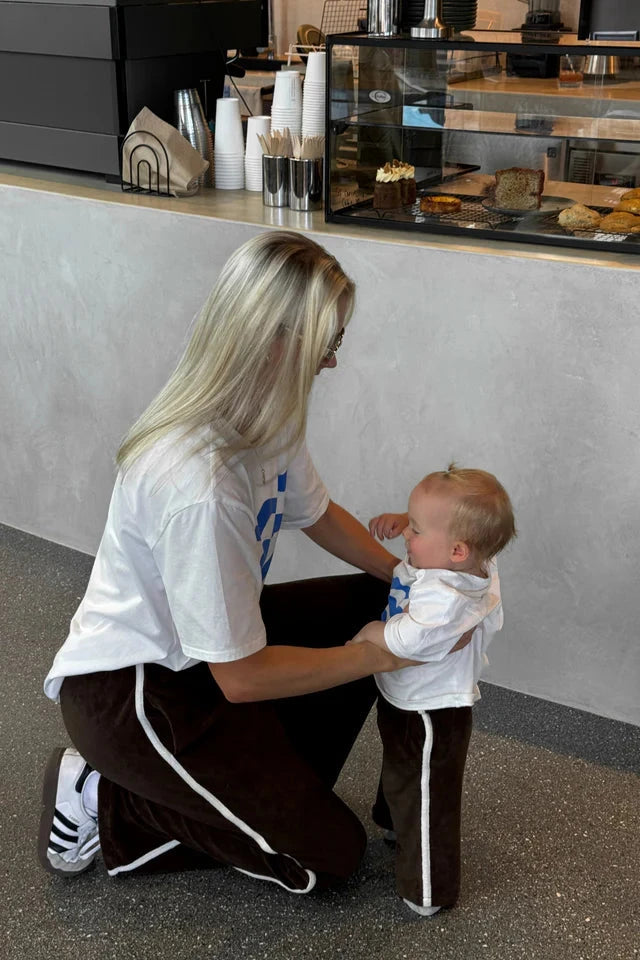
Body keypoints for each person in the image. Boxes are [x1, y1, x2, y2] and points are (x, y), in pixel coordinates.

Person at [39, 231, 419, 891]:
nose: (333, 361)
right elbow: (240, 677)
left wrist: (403, 577)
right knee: (329, 855)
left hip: (210, 651)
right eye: (327, 344)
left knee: (373, 601)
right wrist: (375, 655)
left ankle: (243, 786)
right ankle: (100, 795)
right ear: (275, 343)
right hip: (135, 691)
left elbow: (318, 513)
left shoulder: (266, 415)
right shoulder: (199, 487)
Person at [352, 464, 516, 916]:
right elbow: (451, 534)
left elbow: (408, 639)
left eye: (415, 529)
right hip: (407, 694)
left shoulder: (448, 597)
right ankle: (392, 823)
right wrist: (412, 523)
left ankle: (428, 890)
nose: (406, 534)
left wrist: (370, 633)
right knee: (403, 769)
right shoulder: (460, 557)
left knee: (429, 796)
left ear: (458, 550)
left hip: (431, 710)